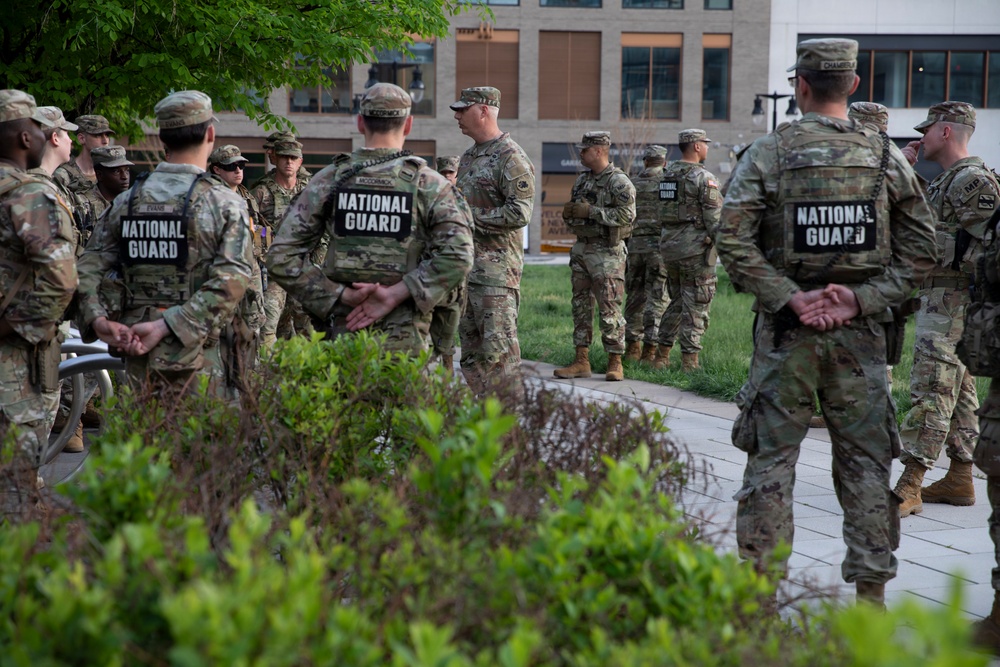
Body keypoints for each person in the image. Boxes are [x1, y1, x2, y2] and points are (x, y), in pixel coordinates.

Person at [716, 38, 937, 606]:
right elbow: (921, 251)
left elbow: (732, 239)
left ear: (802, 86)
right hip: (860, 341)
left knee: (771, 463)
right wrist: (861, 300)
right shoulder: (888, 158)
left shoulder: (768, 153)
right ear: (855, 86)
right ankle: (870, 599)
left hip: (786, 337)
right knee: (865, 465)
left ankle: (762, 599)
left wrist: (789, 296)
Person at [267, 83, 473, 356]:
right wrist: (396, 293)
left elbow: (281, 257)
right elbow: (459, 254)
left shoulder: (328, 180)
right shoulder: (430, 185)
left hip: (341, 331)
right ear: (409, 124)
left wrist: (339, 296)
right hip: (406, 340)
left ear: (360, 122)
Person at [76, 90, 253, 400]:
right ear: (210, 134)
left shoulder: (127, 201)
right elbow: (234, 280)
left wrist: (98, 320)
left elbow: (87, 266)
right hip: (203, 360)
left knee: (147, 443)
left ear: (162, 138)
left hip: (137, 355)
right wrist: (167, 325)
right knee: (200, 444)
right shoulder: (224, 202)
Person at [892, 102, 1000, 516]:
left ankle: (911, 482)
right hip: (941, 297)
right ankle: (959, 476)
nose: (920, 137)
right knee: (959, 391)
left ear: (946, 133)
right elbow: (930, 219)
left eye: (927, 129)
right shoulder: (948, 181)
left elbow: (990, 243)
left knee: (932, 387)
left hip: (955, 301)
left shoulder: (972, 180)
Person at [0, 90, 78, 466]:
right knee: (16, 488)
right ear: (25, 137)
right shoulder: (29, 195)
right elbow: (62, 280)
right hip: (12, 367)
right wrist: (20, 328)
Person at [451, 87, 535, 394]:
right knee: (471, 359)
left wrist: (465, 214)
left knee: (499, 360)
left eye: (463, 109)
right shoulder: (470, 157)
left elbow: (519, 213)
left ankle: (509, 433)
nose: (457, 116)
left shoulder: (511, 157)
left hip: (496, 278)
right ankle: (484, 427)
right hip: (466, 273)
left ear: (484, 110)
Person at [553, 131, 635, 382]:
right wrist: (570, 213)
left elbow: (627, 216)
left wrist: (592, 212)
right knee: (580, 306)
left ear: (599, 151)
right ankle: (581, 361)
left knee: (610, 307)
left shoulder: (619, 182)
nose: (580, 153)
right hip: (582, 250)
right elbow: (573, 211)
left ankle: (615, 362)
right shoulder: (582, 181)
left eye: (585, 150)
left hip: (607, 253)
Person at [653, 129, 722, 372]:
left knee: (678, 300)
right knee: (697, 303)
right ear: (695, 146)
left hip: (669, 248)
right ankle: (689, 363)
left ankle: (661, 356)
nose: (707, 147)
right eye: (705, 143)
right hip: (694, 250)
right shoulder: (704, 178)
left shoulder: (666, 175)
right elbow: (715, 221)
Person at [208, 144, 265, 381]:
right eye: (232, 166)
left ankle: (246, 379)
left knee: (252, 325)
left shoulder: (246, 196)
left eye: (241, 165)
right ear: (217, 169)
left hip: (250, 269)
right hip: (223, 271)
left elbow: (258, 230)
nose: (238, 170)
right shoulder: (210, 196)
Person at [252, 137, 309, 347]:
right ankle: (264, 376)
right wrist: (267, 243)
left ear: (300, 162)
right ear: (275, 159)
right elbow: (251, 228)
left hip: (304, 269)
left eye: (293, 158)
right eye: (284, 157)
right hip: (274, 270)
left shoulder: (309, 190)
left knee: (308, 328)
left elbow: (326, 227)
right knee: (268, 325)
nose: (288, 162)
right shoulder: (262, 192)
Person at [623, 145, 670, 365]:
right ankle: (651, 350)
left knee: (634, 296)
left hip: (635, 247)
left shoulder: (631, 183)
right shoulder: (668, 182)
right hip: (659, 248)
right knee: (657, 297)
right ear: (664, 162)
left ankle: (632, 346)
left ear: (645, 162)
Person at [431, 154, 466, 371]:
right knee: (442, 317)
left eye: (450, 173)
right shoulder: (431, 196)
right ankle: (445, 366)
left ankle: (452, 365)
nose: (446, 176)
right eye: (443, 173)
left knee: (459, 317)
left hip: (462, 266)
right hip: (438, 264)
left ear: (456, 174)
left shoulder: (464, 197)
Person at [53, 114, 114, 196]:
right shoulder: (63, 175)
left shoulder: (109, 174)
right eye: (98, 135)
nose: (105, 141)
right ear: (82, 138)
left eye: (107, 135)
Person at [78, 145, 133, 223]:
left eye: (127, 170)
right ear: (99, 175)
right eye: (116, 171)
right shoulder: (82, 204)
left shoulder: (132, 203)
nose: (124, 177)